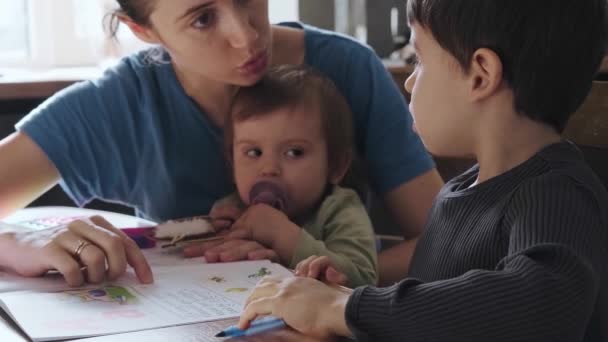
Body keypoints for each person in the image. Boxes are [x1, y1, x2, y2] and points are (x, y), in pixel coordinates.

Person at [0, 0, 442, 287]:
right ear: (145, 30)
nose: (247, 36)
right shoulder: (116, 106)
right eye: (203, 18)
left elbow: (450, 238)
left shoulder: (348, 69)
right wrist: (17, 240)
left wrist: (316, 271)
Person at [238, 0, 608, 341]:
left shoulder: (556, 194)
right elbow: (437, 315)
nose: (411, 82)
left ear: (480, 75)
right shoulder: (460, 192)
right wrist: (345, 297)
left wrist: (345, 309)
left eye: (419, 59)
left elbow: (541, 308)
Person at [210, 65, 377, 287]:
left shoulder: (339, 209)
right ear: (232, 164)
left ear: (335, 166)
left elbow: (364, 279)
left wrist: (284, 238)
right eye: (253, 152)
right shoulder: (232, 210)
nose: (268, 168)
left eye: (294, 152)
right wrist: (217, 236)